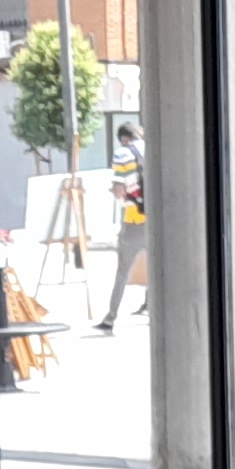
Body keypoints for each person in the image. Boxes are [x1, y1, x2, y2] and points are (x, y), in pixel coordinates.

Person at [97, 122, 148, 332]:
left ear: (124, 139)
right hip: (156, 219)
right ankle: (150, 306)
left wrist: (118, 190)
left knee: (123, 271)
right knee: (159, 267)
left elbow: (119, 190)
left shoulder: (122, 153)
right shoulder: (152, 148)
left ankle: (110, 318)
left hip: (134, 220)